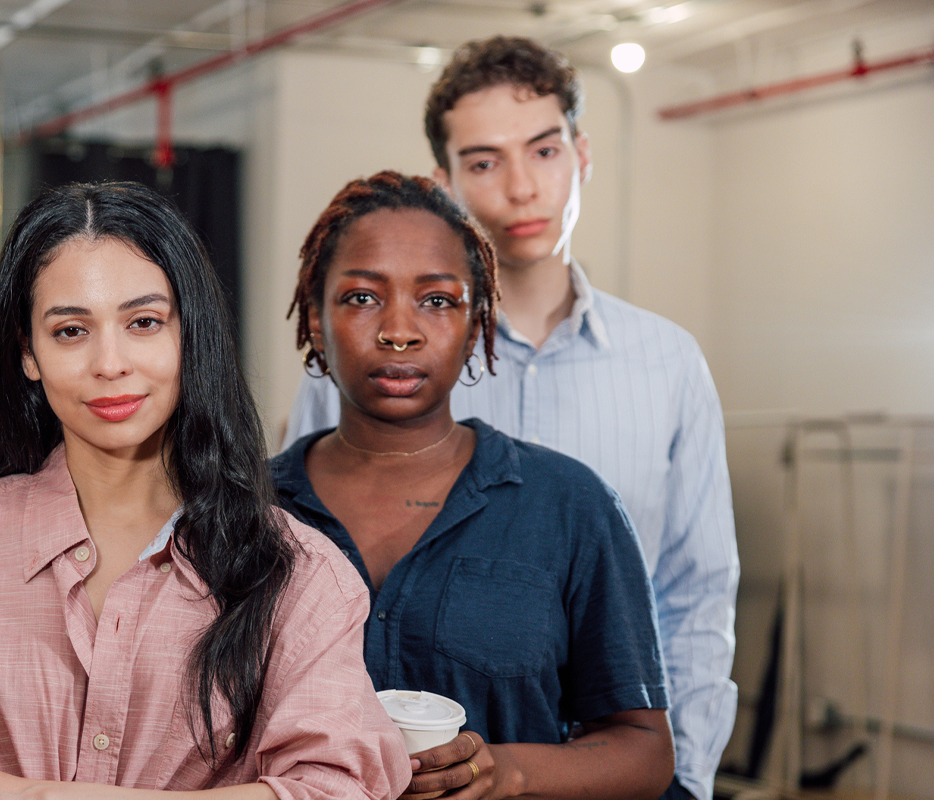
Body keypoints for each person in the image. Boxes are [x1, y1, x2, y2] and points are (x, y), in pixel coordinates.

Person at [0, 182, 407, 800]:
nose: (110, 362)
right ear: (28, 352)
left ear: (190, 336)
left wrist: (14, 792)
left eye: (144, 322)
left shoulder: (301, 574)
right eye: (71, 331)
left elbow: (336, 791)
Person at [283, 37, 739, 800]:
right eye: (486, 161)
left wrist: (681, 778)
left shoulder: (666, 364)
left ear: (581, 155)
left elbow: (697, 593)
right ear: (447, 180)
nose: (522, 188)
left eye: (543, 152)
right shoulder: (354, 383)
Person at [273, 170, 674, 800]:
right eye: (361, 297)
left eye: (437, 300)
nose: (398, 330)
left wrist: (509, 771)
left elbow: (644, 752)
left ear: (477, 323)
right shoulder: (243, 512)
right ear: (318, 324)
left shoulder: (568, 505)